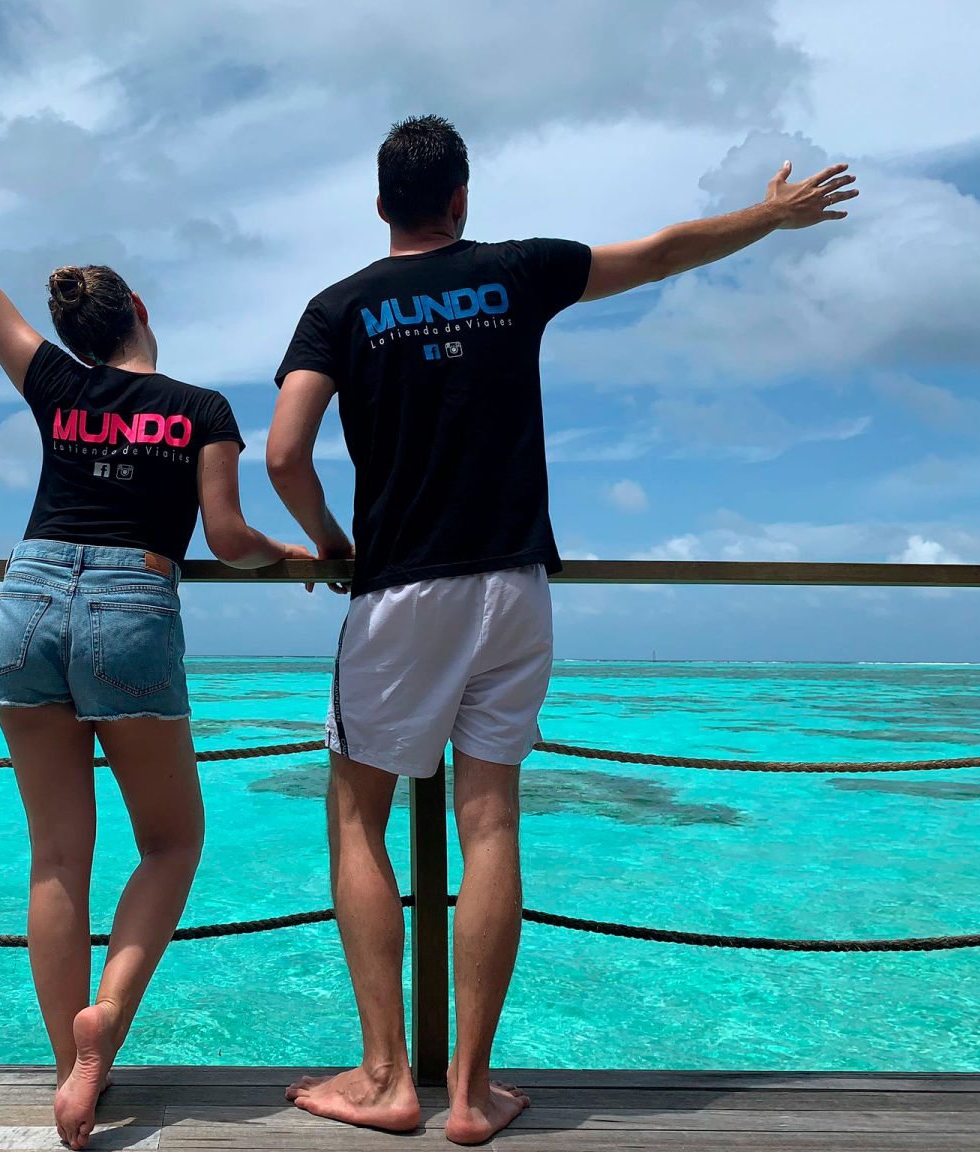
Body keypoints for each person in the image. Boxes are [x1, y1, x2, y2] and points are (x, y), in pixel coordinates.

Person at [266, 115, 857, 1144]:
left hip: (401, 588)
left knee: (357, 817)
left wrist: (328, 543)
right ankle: (470, 1092)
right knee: (490, 822)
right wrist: (769, 217)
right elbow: (662, 252)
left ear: (380, 204)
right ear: (461, 197)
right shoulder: (518, 271)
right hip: (515, 584)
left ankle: (387, 1077)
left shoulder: (338, 307)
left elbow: (283, 455)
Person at [0, 140, 308, 1150]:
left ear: (76, 334)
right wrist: (302, 557)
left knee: (57, 858)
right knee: (172, 842)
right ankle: (105, 1023)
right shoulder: (201, 409)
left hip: (29, 595)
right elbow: (227, 540)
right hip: (132, 606)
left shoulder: (53, 383)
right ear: (142, 313)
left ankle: (74, 1079)